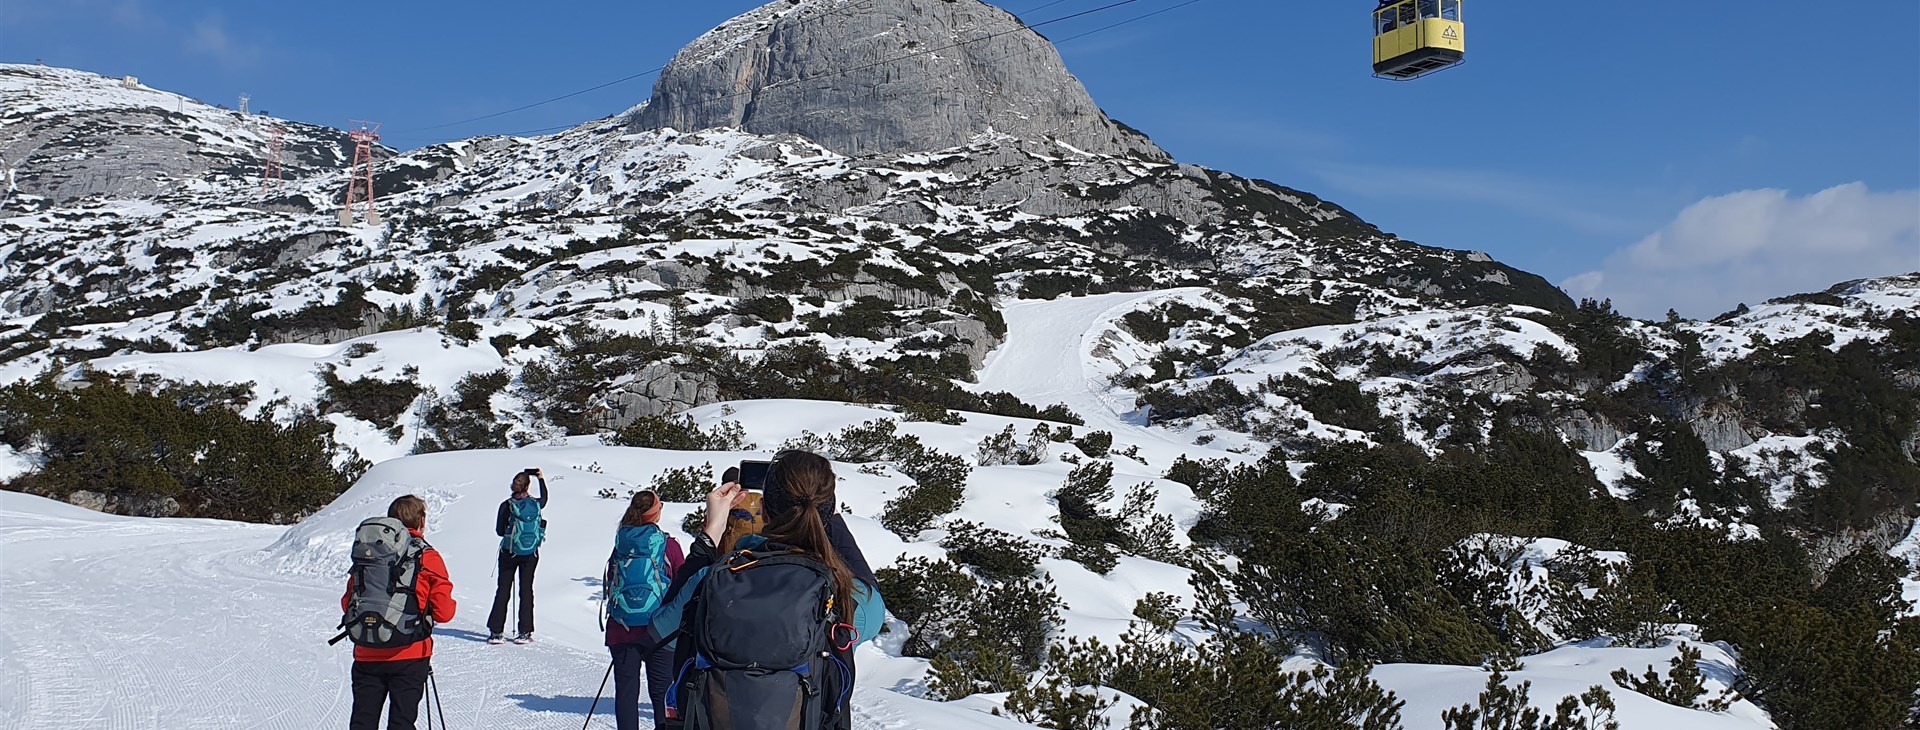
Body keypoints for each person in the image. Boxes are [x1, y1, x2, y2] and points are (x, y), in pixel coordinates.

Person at [647, 450, 885, 729]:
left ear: (763, 510)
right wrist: (831, 521)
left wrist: (710, 534)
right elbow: (873, 595)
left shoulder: (711, 579)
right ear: (826, 511)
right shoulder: (843, 593)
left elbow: (660, 627)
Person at [342, 495, 455, 730]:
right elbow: (445, 613)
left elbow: (347, 603)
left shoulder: (369, 554)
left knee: (362, 722)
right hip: (410, 654)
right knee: (402, 723)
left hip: (367, 648)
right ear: (421, 520)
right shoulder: (428, 556)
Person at [605, 490, 686, 730]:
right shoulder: (668, 545)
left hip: (622, 628)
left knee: (626, 693)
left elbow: (612, 579)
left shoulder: (621, 543)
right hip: (659, 630)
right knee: (661, 692)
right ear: (654, 512)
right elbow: (682, 581)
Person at [489, 468, 548, 644]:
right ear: (528, 486)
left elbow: (500, 531)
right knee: (526, 590)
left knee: (503, 590)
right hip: (530, 553)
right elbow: (545, 497)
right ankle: (525, 632)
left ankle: (496, 632)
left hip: (509, 553)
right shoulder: (536, 504)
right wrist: (541, 478)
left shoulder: (507, 505)